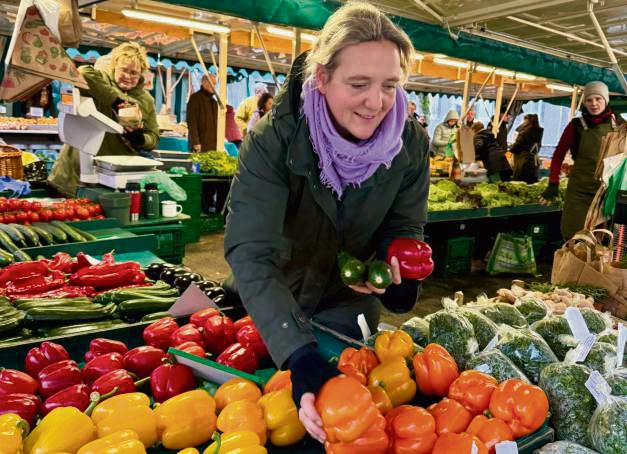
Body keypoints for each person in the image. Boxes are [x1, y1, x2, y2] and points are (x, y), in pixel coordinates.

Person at [223, 2, 428, 443]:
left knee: (352, 431)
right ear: (321, 77)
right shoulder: (273, 139)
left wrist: (400, 277)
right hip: (271, 305)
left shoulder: (408, 143)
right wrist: (297, 352)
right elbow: (249, 250)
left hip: (346, 308)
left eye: (390, 85)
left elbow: (406, 227)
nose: (377, 103)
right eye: (359, 84)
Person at [48, 42, 159, 196]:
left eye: (134, 72)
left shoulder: (146, 100)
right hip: (76, 172)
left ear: (141, 73)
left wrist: (140, 139)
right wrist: (116, 101)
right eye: (124, 70)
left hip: (112, 177)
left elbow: (153, 136)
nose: (128, 76)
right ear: (114, 67)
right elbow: (83, 72)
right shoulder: (101, 81)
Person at [541, 81, 624, 239]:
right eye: (589, 100)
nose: (594, 104)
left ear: (605, 100)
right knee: (575, 235)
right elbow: (558, 156)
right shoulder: (576, 125)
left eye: (598, 99)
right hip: (580, 192)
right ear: (584, 103)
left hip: (607, 193)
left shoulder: (620, 125)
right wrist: (553, 183)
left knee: (602, 238)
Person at [187, 74, 219, 152]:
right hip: (199, 145)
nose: (213, 86)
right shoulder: (195, 98)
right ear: (203, 83)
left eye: (215, 84)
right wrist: (196, 142)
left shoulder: (214, 102)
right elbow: (192, 122)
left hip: (212, 145)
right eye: (211, 83)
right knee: (198, 164)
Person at [511, 113, 543, 183]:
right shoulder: (538, 132)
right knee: (530, 183)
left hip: (522, 162)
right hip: (533, 161)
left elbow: (516, 146)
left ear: (527, 121)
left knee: (519, 183)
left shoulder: (524, 132)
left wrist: (511, 147)